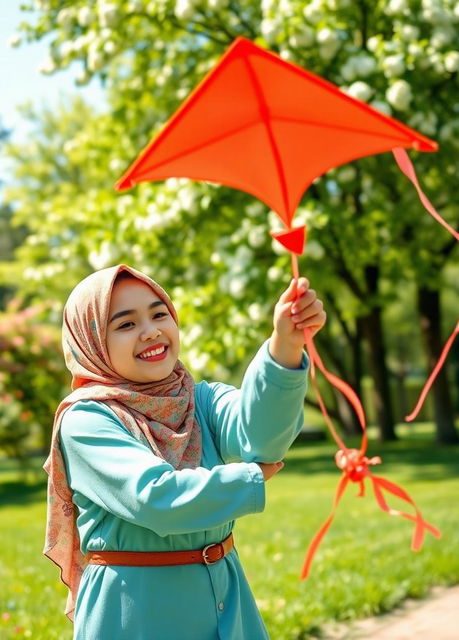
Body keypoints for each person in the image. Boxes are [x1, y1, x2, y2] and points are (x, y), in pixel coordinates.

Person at [44, 264, 326, 640]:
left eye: (159, 314)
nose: (151, 331)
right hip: (135, 614)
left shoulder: (200, 399)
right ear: (91, 341)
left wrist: (285, 347)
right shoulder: (86, 420)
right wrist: (249, 477)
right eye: (126, 324)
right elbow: (155, 498)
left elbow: (261, 437)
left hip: (225, 598)